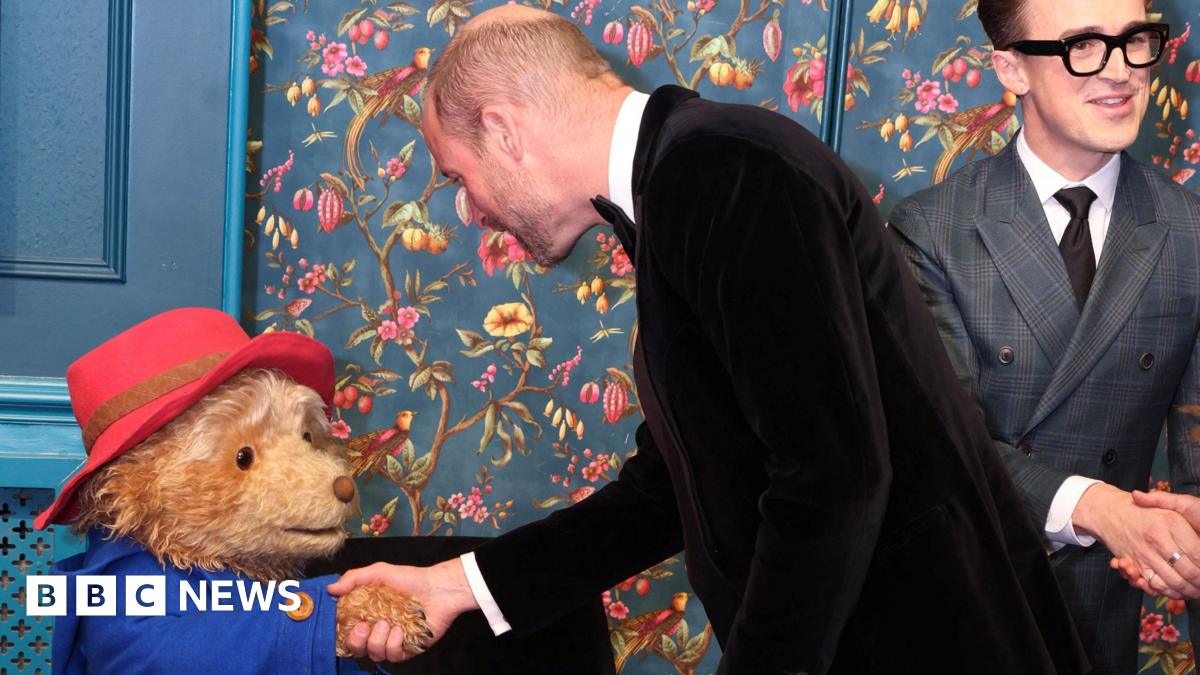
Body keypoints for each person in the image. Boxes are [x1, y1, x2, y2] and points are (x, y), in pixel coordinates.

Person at [328, 6, 1091, 673]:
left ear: (503, 128)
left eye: (458, 177)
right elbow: (671, 487)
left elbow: (834, 478)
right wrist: (459, 584)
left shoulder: (722, 171)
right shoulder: (688, 182)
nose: (469, 212)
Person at [888, 0, 1200, 672]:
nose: (1120, 71)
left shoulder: (1191, 234)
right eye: (1083, 46)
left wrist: (1181, 540)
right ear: (1011, 68)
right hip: (964, 605)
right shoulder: (930, 230)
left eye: (1134, 40)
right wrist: (1099, 506)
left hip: (1103, 617)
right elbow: (943, 445)